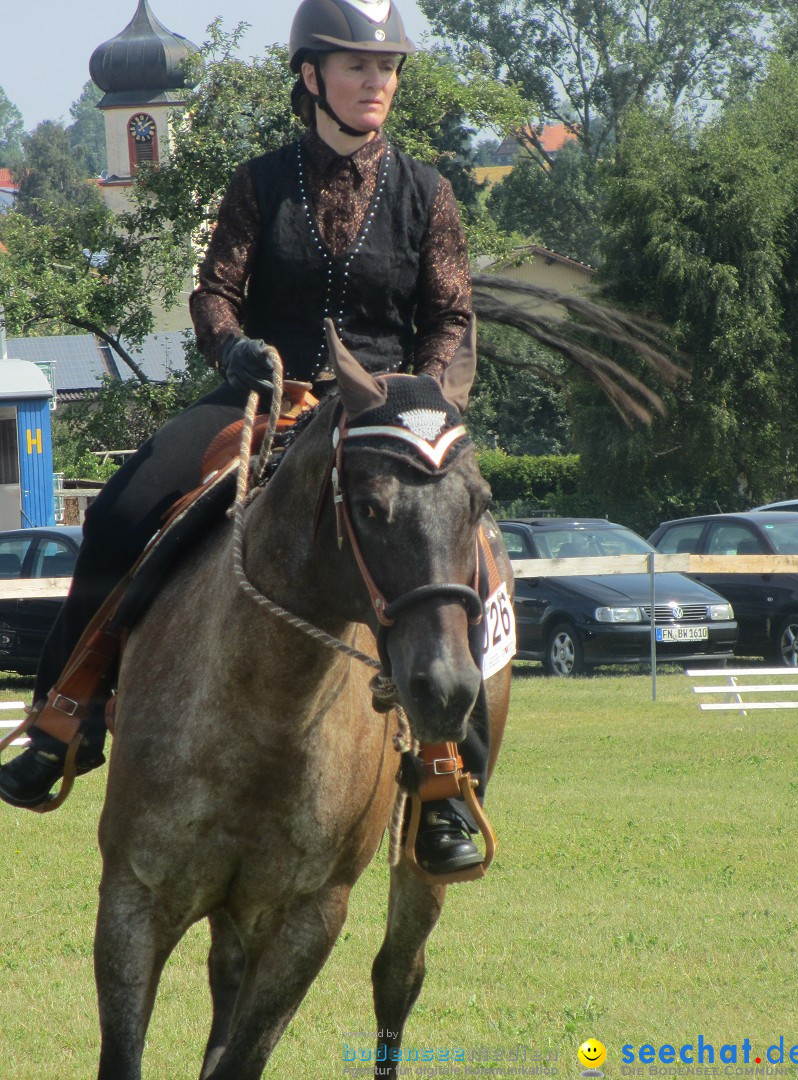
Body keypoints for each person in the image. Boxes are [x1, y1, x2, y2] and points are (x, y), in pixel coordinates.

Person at [0, 0, 487, 875]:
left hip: (387, 419)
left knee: (469, 551)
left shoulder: (430, 194)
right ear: (312, 77)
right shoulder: (260, 183)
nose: (376, 82)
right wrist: (238, 347)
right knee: (123, 503)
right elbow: (213, 291)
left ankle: (447, 779)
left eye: (385, 70)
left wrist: (421, 393)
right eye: (357, 67)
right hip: (265, 400)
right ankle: (65, 716)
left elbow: (449, 312)